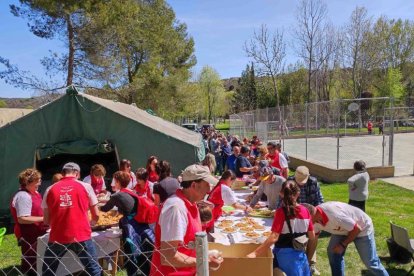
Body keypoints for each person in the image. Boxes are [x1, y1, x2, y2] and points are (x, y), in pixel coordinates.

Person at [150, 164, 223, 276]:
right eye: (207, 184)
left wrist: (205, 255)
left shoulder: (190, 204)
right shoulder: (176, 208)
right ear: (194, 185)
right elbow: (168, 256)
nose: (209, 189)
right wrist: (205, 261)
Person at [41, 162, 102, 276]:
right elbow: (96, 215)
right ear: (77, 173)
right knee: (93, 269)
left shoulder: (50, 189)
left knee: (48, 270)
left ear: (63, 173)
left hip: (58, 236)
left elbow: (46, 220)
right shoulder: (86, 186)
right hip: (81, 234)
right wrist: (92, 223)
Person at [247, 180, 316, 276]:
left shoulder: (281, 212)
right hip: (300, 255)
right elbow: (312, 236)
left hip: (284, 255)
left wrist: (255, 253)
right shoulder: (305, 211)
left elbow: (274, 237)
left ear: (281, 193)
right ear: (298, 193)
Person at [303, 202, 389, 276]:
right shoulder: (313, 221)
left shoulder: (335, 215)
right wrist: (307, 263)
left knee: (370, 262)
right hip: (343, 229)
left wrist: (342, 245)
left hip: (362, 228)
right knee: (333, 252)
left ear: (310, 215)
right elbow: (313, 241)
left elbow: (357, 229)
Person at [102, 171, 155, 276]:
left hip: (130, 226)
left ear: (117, 182)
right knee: (142, 251)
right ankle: (146, 272)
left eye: (114, 181)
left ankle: (132, 272)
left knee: (131, 251)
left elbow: (105, 208)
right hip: (141, 224)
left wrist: (94, 206)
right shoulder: (132, 192)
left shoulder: (118, 195)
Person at [287, 165, 324, 275]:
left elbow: (319, 200)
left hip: (311, 214)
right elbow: (284, 200)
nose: (301, 183)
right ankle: (299, 264)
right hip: (295, 215)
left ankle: (311, 263)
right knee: (298, 240)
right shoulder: (289, 182)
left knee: (313, 238)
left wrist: (316, 214)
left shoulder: (313, 182)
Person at [10, 168, 47, 275]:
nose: (40, 183)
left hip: (38, 231)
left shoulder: (34, 192)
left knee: (40, 258)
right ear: (28, 182)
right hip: (29, 234)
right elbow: (22, 219)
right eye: (37, 181)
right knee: (32, 260)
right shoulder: (23, 196)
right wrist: (45, 219)